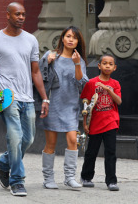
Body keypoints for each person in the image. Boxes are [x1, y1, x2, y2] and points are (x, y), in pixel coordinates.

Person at [0, 2, 49, 196]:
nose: (21, 17)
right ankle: (17, 180)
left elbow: (36, 71)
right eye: (17, 14)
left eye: (23, 14)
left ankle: (3, 162)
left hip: (27, 97)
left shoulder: (31, 40)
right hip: (6, 96)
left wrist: (45, 99)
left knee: (28, 139)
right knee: (14, 136)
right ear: (8, 15)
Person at [41, 26, 88, 189]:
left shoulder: (79, 60)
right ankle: (48, 178)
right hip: (52, 104)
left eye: (74, 38)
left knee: (73, 139)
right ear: (62, 38)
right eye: (68, 36)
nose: (70, 40)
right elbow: (38, 77)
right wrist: (46, 62)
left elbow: (82, 84)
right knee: (51, 143)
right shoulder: (50, 55)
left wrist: (76, 65)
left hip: (70, 105)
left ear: (77, 42)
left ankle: (69, 177)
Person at [80, 54, 122, 191]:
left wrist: (109, 90)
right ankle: (86, 177)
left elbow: (119, 101)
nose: (107, 66)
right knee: (91, 152)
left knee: (111, 152)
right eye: (105, 63)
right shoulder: (91, 83)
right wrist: (85, 124)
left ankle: (111, 181)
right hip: (95, 123)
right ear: (99, 66)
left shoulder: (115, 84)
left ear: (114, 67)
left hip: (111, 122)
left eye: (110, 64)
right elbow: (86, 105)